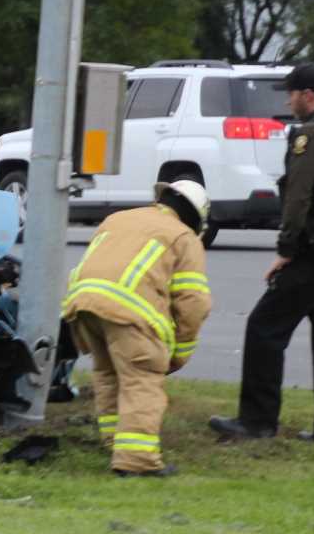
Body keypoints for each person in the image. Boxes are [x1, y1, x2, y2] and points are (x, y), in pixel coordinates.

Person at [210, 62, 314, 445]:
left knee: (265, 328)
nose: (289, 100)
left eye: (292, 93)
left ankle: (257, 421)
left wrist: (286, 250)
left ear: (308, 95)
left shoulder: (310, 136)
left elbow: (298, 197)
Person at [61, 179, 213, 478]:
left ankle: (115, 441)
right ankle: (136, 460)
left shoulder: (118, 218)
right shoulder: (183, 237)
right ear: (196, 217)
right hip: (128, 312)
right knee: (142, 380)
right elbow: (193, 304)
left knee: (107, 375)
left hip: (84, 304)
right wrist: (177, 355)